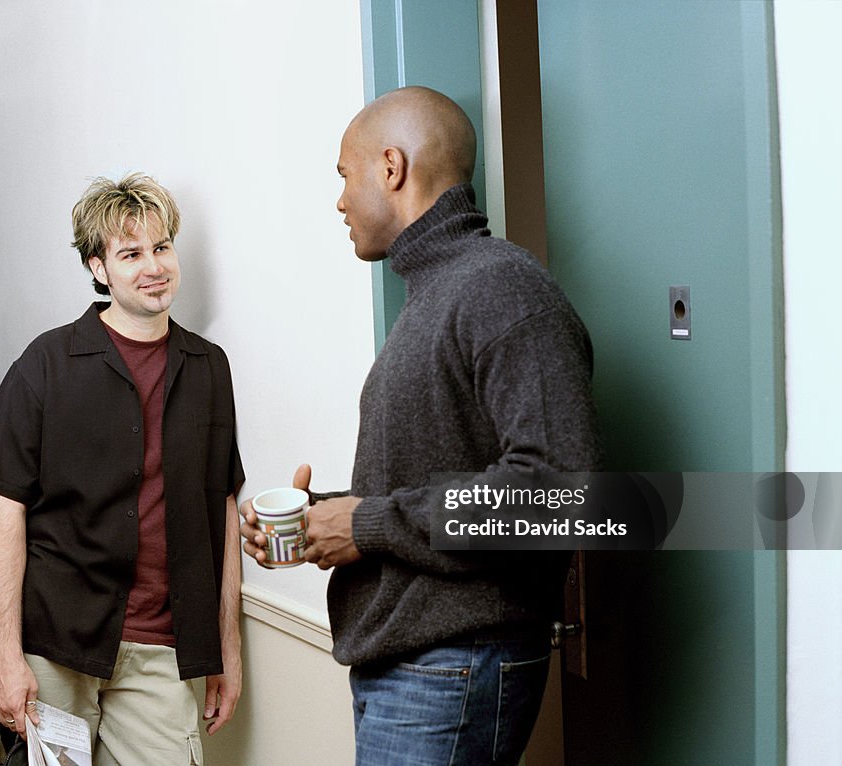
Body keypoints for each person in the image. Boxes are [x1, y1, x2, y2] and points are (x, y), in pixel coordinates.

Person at [241, 86, 601, 765]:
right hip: (416, 668)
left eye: (344, 177)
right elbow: (436, 476)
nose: (340, 201)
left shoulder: (501, 288)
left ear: (391, 167)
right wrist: (328, 519)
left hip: (452, 669)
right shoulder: (440, 291)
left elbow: (557, 497)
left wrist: (366, 524)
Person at [0, 172, 245, 765]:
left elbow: (218, 512)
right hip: (52, 640)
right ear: (99, 268)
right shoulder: (46, 363)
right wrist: (8, 657)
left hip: (162, 646)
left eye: (162, 247)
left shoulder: (207, 366)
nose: (154, 267)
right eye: (131, 253)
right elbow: (5, 514)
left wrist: (227, 651)